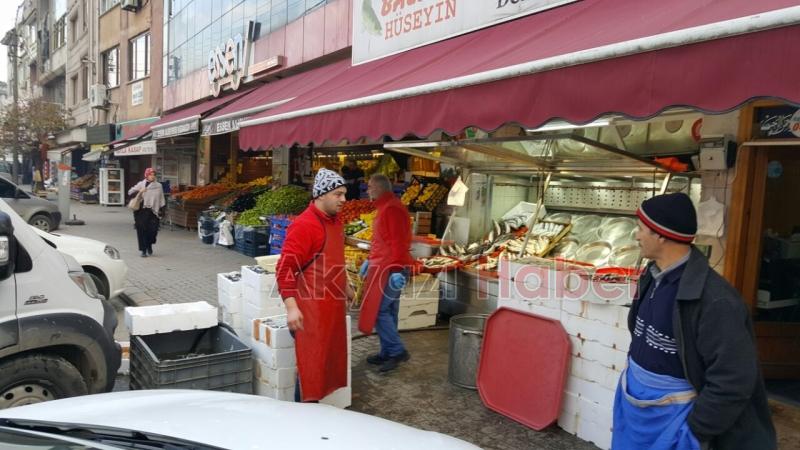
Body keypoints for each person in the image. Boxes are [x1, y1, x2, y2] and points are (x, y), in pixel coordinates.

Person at [612, 192, 776, 450]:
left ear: (661, 235)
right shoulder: (652, 276)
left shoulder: (717, 301)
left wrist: (696, 430)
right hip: (637, 409)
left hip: (676, 421)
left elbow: (733, 380)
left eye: (641, 228)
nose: (636, 235)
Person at [275, 168, 354, 402]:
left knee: (326, 363)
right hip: (310, 312)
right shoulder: (305, 225)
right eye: (338, 194)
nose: (344, 199)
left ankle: (314, 412)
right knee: (310, 370)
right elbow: (285, 269)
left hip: (331, 308)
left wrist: (346, 285)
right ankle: (304, 416)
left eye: (344, 194)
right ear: (321, 194)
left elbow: (334, 259)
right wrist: (291, 307)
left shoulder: (335, 222)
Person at [358, 174, 414, 373]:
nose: (368, 190)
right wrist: (369, 259)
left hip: (390, 270)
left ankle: (397, 351)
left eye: (370, 186)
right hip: (384, 266)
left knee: (380, 311)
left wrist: (397, 270)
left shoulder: (391, 209)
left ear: (380, 187)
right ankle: (387, 351)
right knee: (389, 311)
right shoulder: (386, 207)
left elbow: (398, 242)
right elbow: (383, 241)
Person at [127, 168, 166, 258]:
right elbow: (130, 192)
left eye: (154, 174)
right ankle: (143, 250)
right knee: (142, 231)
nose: (153, 176)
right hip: (141, 210)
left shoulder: (159, 186)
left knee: (153, 231)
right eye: (151, 174)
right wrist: (140, 191)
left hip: (154, 211)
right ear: (146, 175)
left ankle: (149, 245)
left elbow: (161, 198)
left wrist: (163, 209)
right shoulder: (141, 184)